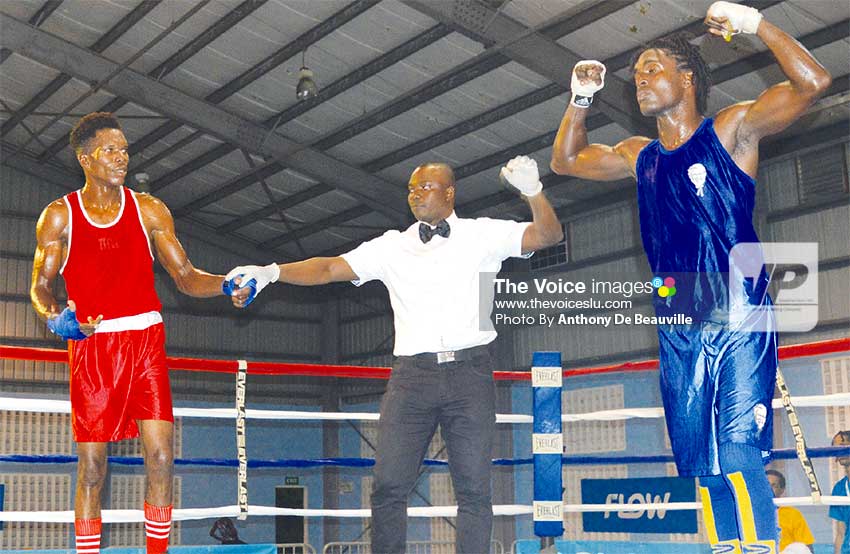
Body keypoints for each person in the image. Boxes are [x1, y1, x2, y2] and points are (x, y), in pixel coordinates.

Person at [549, 2, 831, 552]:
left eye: (653, 68)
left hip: (739, 307)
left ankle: (761, 547)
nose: (640, 80)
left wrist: (755, 25)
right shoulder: (640, 155)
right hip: (678, 316)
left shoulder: (731, 130)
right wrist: (579, 99)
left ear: (688, 79)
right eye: (637, 74)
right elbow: (565, 161)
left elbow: (814, 82)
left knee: (739, 450)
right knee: (702, 462)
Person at [225, 156, 562, 553]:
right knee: (387, 486)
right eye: (411, 189)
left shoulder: (483, 234)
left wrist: (533, 192)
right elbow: (329, 268)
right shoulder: (392, 246)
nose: (416, 194)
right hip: (411, 379)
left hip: (470, 374)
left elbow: (547, 235)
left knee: (474, 490)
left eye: (426, 187)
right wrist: (271, 272)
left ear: (450, 192)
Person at [30, 112, 232, 554]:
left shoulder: (149, 209)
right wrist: (54, 316)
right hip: (93, 345)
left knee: (161, 458)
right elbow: (41, 286)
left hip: (145, 342)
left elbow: (185, 276)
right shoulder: (60, 216)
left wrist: (225, 284)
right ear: (85, 159)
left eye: (124, 150)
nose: (121, 158)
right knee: (92, 469)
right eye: (110, 150)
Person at [766, 469, 815, 553]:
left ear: (782, 490)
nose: (768, 489)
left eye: (774, 486)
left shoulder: (792, 514)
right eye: (765, 485)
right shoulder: (749, 514)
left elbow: (806, 548)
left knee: (799, 548)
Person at [830, 431, 850, 554]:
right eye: (835, 448)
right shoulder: (839, 488)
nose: (839, 451)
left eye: (843, 446)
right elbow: (841, 533)